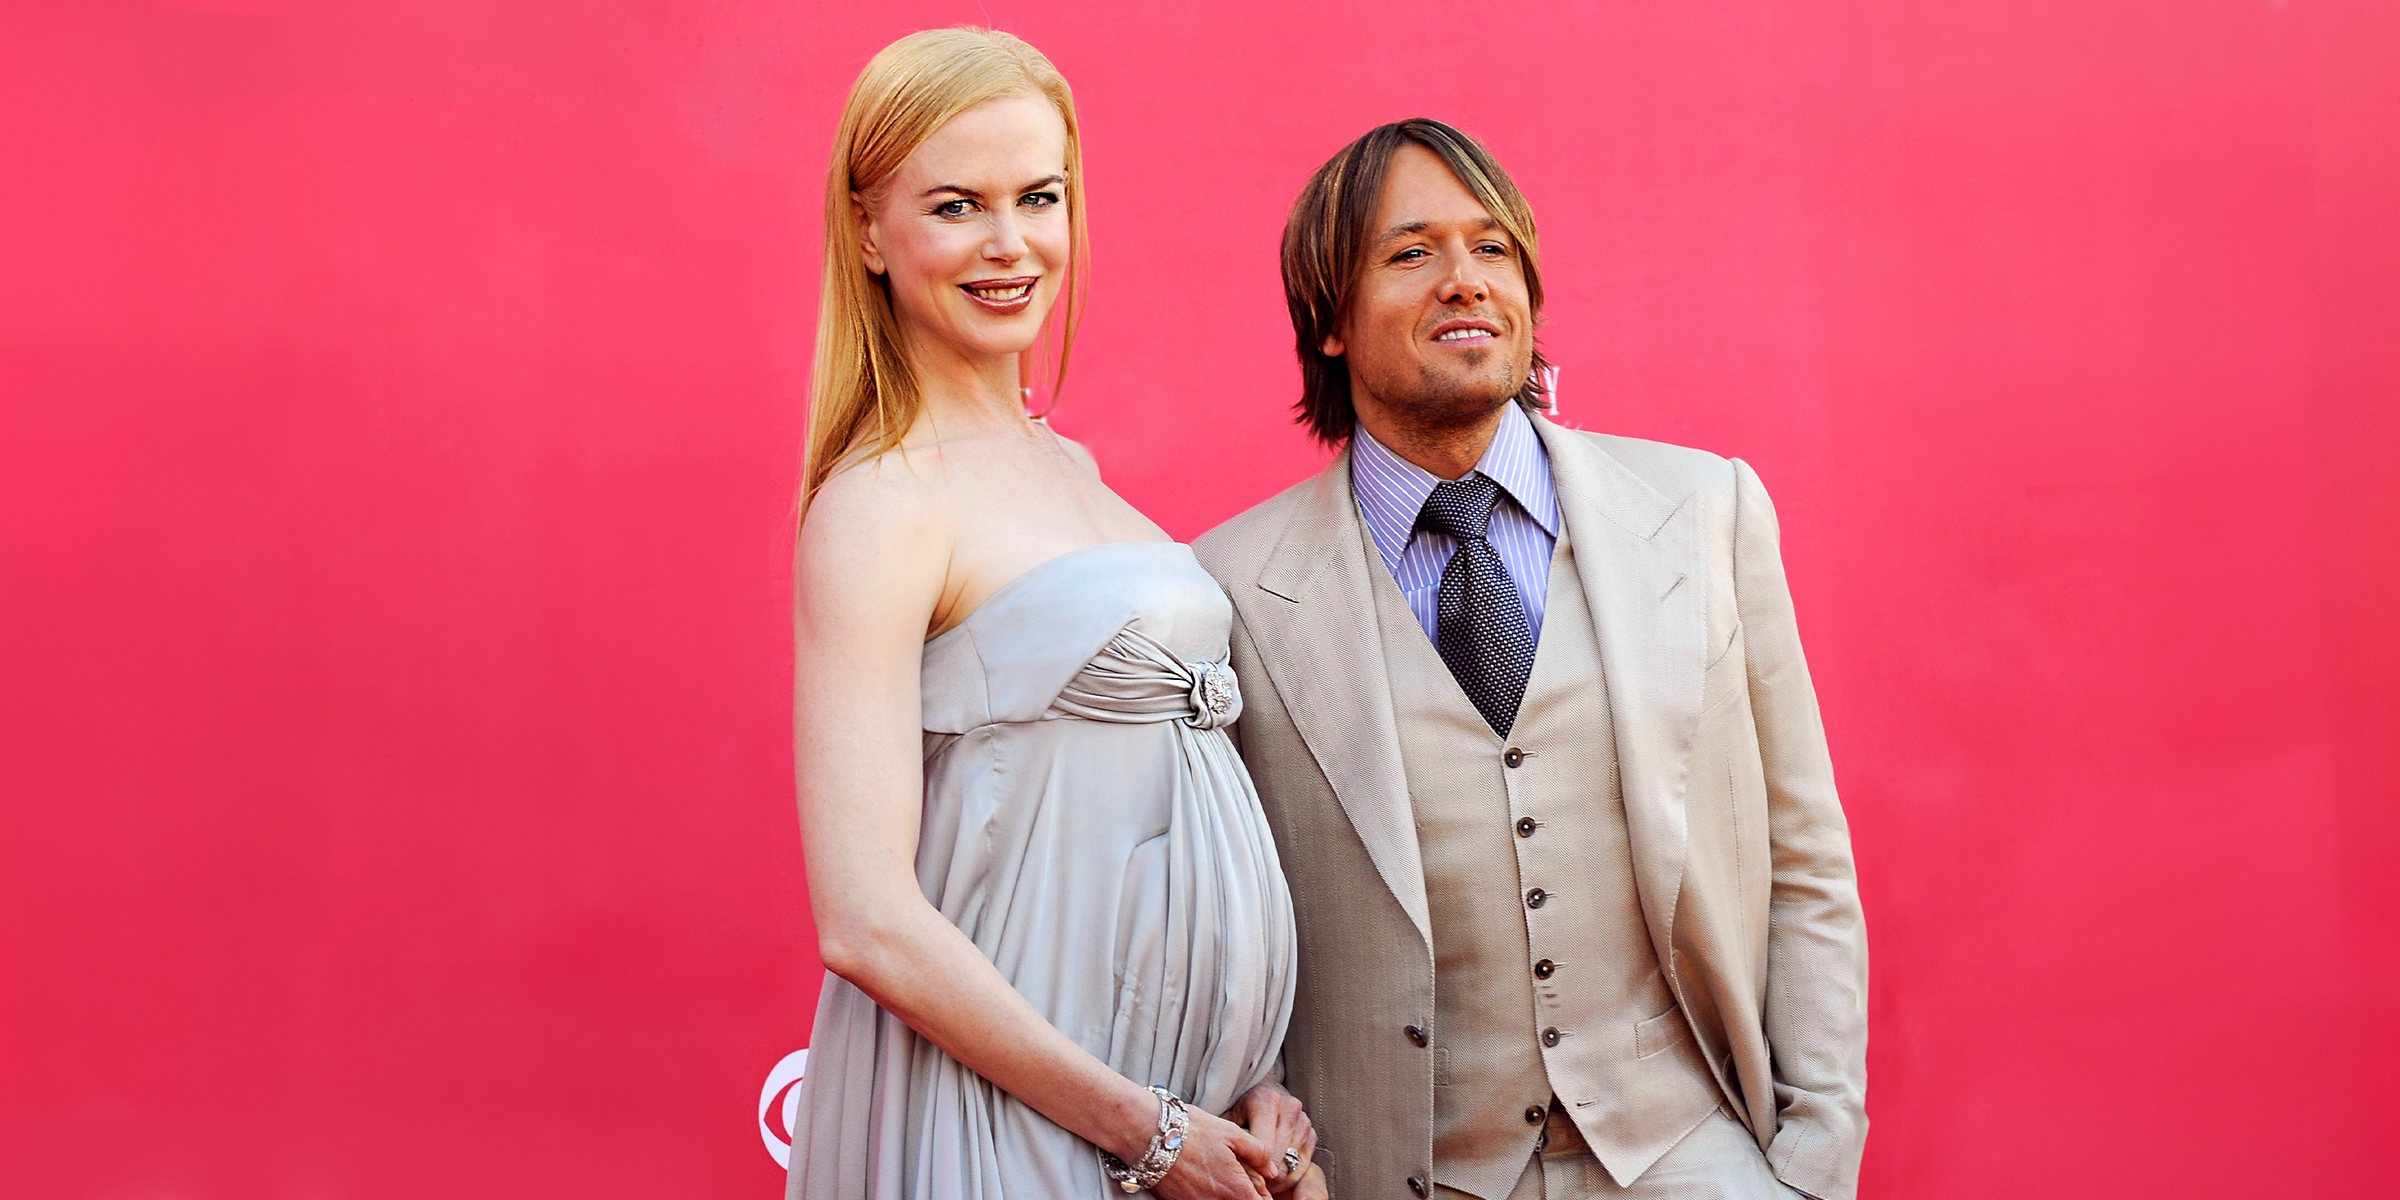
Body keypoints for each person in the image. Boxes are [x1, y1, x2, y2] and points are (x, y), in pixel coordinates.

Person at [1192, 119, 1870, 1200]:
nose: (1465, 281)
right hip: (1406, 1175)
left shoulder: (1703, 510)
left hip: (1691, 1155)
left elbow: (1804, 856)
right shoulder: (1226, 590)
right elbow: (1219, 926)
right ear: (1327, 320)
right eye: (1410, 253)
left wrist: (1815, 1158)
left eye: (1493, 248)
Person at [786, 28, 1324, 1200]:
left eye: (1040, 196)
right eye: (957, 205)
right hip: (1018, 1125)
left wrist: (1254, 1077)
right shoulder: (882, 502)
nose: (1010, 243)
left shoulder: (1075, 471)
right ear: (869, 229)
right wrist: (1143, 1129)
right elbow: (867, 922)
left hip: (1180, 1119)